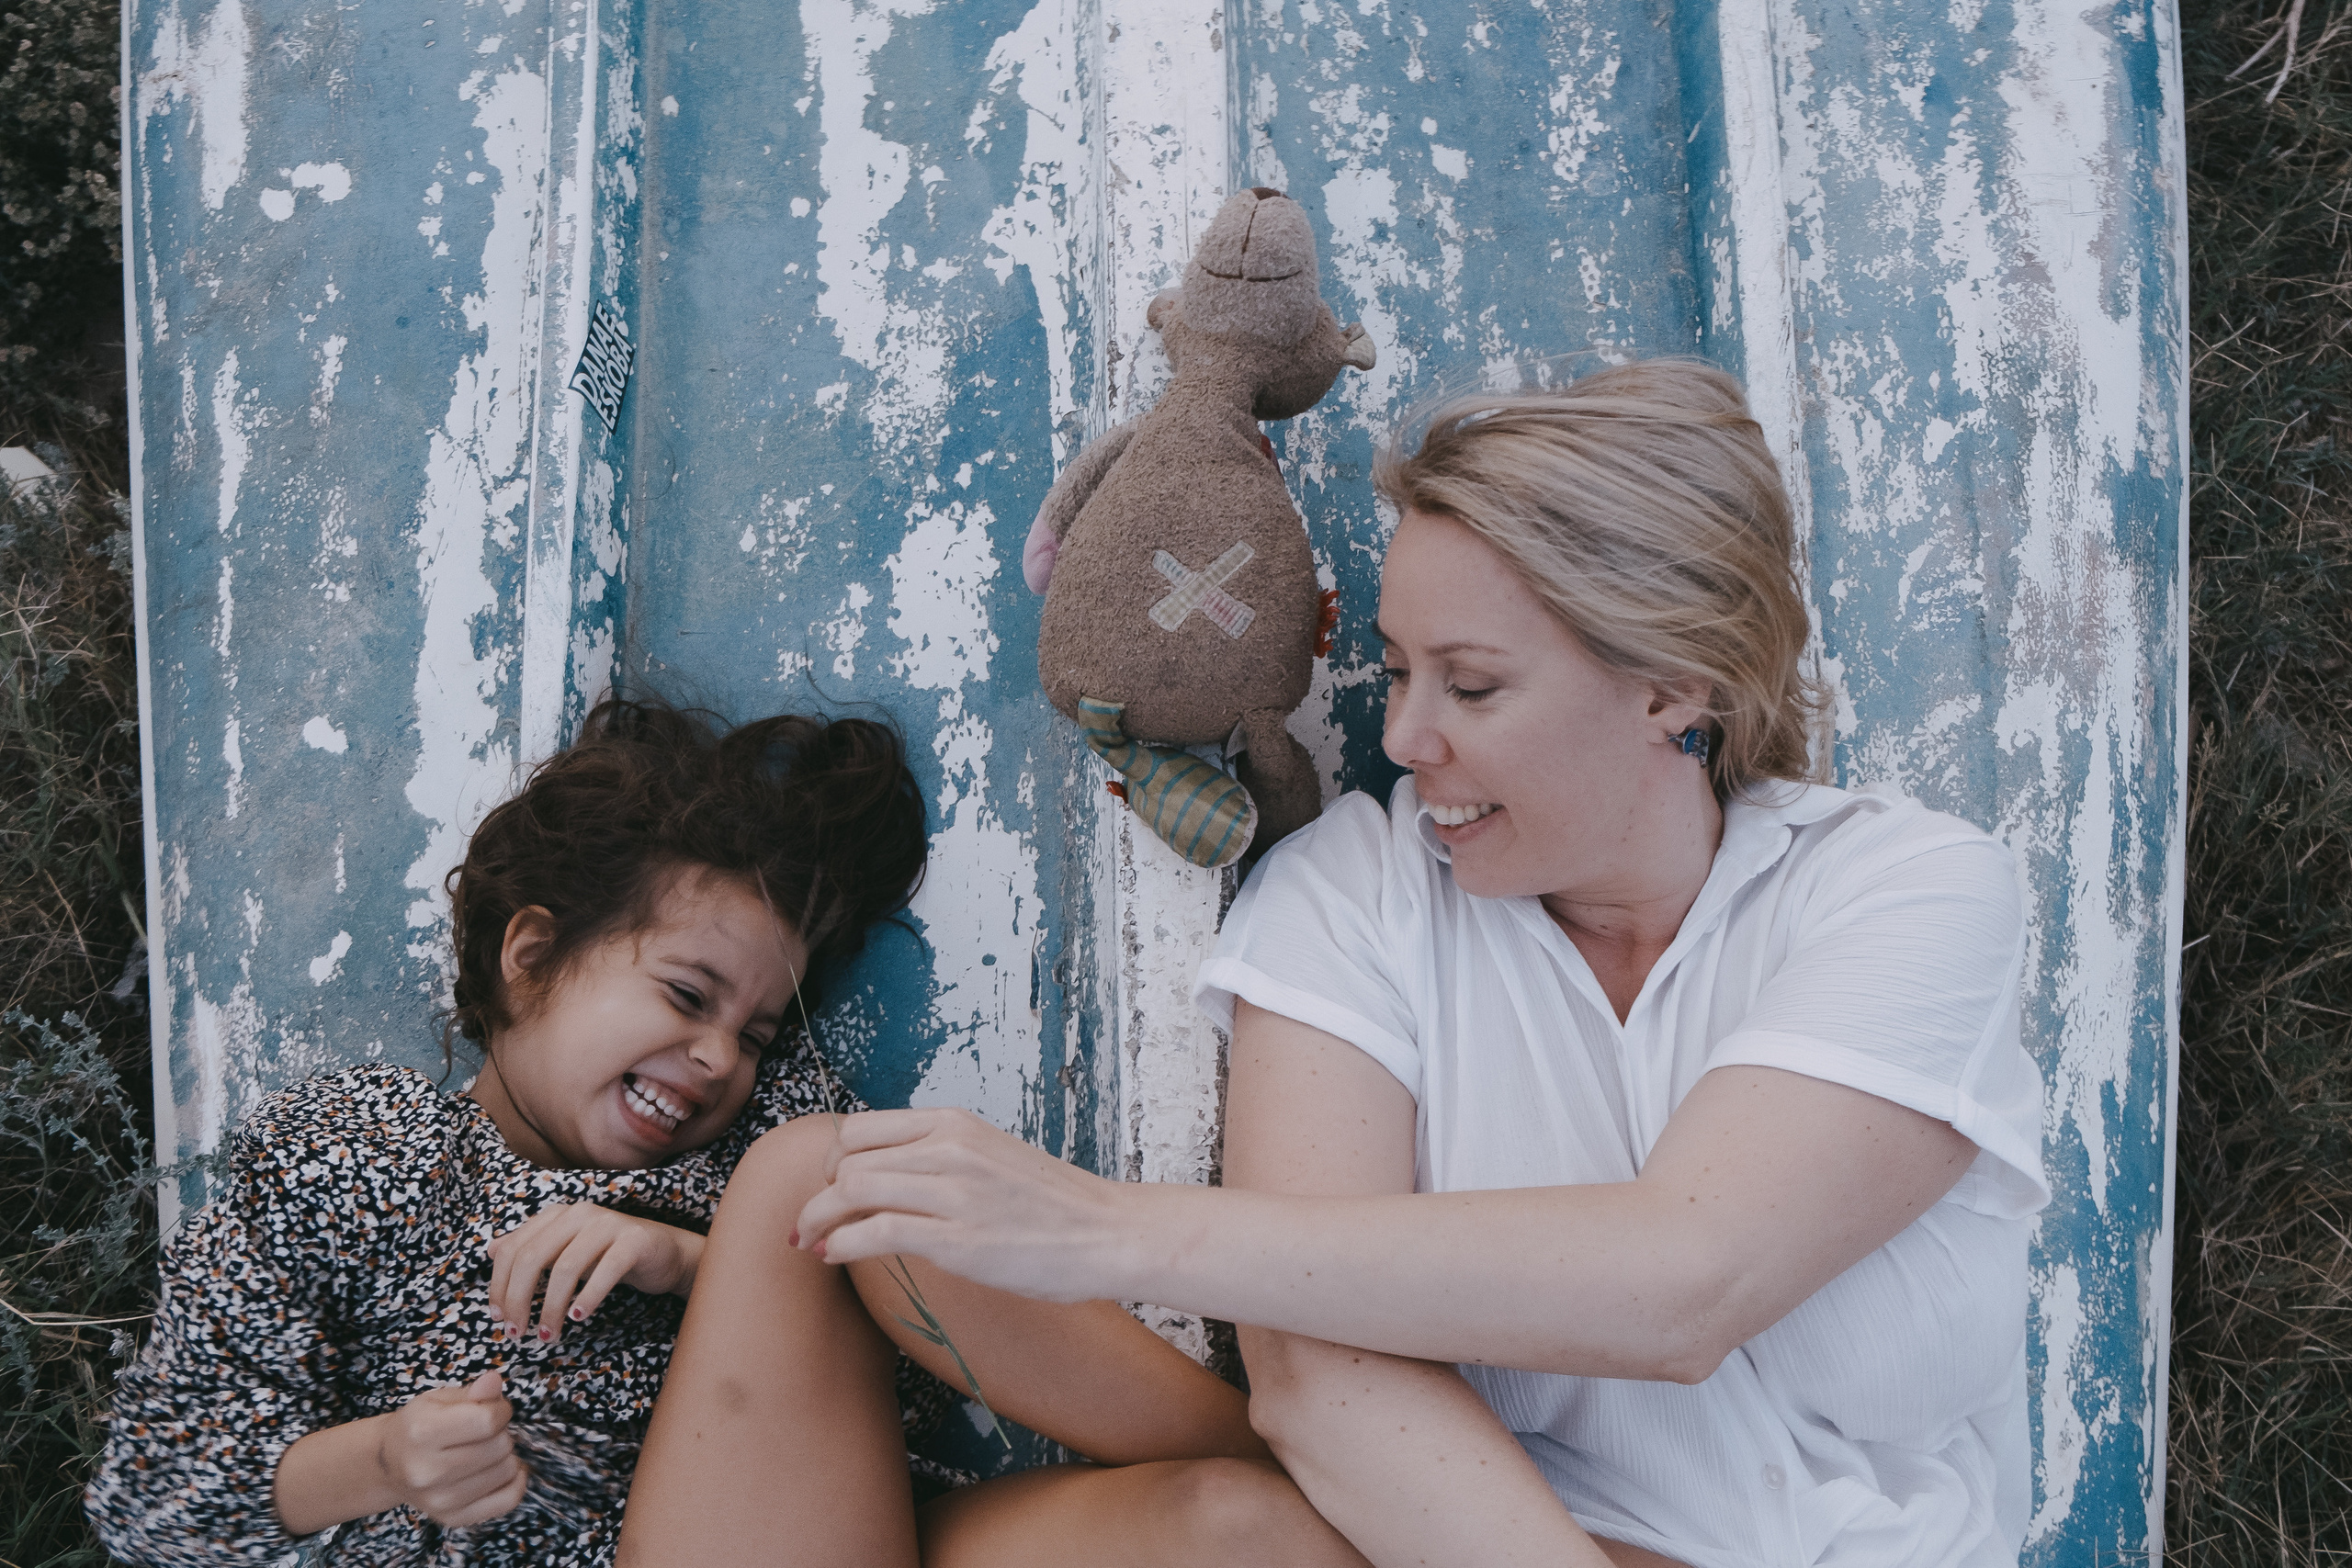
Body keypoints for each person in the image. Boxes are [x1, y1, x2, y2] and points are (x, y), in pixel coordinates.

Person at [782, 360, 2050, 1568]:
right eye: (1393, 671)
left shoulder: (1904, 890)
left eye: (1474, 687)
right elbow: (1322, 1387)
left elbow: (1684, 1283)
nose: (1403, 735)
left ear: (1677, 688)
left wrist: (1107, 1233)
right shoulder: (1355, 898)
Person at [87, 698, 1364, 1568]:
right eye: (689, 998)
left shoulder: (757, 1138)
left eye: (753, 1033)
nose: (718, 1059)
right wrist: (384, 1459)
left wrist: (695, 1265)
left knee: (1233, 1527)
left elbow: (896, 1408)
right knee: (822, 1179)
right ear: (532, 957)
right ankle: (1369, 1477)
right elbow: (154, 1506)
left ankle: (1368, 1484)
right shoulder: (355, 1149)